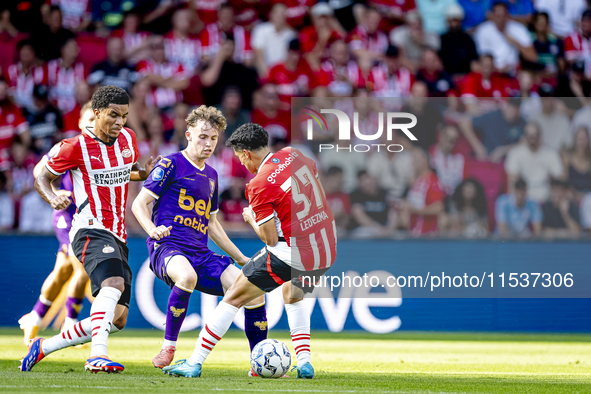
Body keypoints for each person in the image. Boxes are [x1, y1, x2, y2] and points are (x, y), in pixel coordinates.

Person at [162, 123, 337, 379]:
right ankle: (305, 362)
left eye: (240, 158)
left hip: (292, 250)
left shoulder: (258, 184)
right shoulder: (295, 155)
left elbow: (269, 239)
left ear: (245, 153)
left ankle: (194, 362)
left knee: (233, 296)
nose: (242, 164)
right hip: (325, 245)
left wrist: (251, 218)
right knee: (293, 296)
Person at [21, 85, 159, 373]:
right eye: (113, 115)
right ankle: (97, 355)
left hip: (118, 234)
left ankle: (44, 346)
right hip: (90, 230)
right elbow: (42, 179)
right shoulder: (74, 146)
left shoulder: (128, 139)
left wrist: (144, 172)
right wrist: (53, 197)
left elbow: (126, 170)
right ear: (96, 113)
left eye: (124, 115)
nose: (120, 122)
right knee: (113, 285)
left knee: (117, 318)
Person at [131, 106, 268, 372]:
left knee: (253, 292)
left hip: (199, 252)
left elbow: (212, 224)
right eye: (203, 136)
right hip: (167, 245)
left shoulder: (212, 175)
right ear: (189, 135)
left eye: (213, 138)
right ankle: (168, 346)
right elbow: (140, 203)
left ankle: (258, 363)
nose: (208, 143)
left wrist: (240, 258)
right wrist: (152, 230)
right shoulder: (170, 163)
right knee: (186, 277)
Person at [18, 102, 95, 347]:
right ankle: (70, 324)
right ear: (81, 123)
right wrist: (54, 192)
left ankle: (35, 316)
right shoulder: (68, 146)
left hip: (88, 217)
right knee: (82, 267)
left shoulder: (107, 150)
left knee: (63, 270)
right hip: (68, 215)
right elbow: (40, 171)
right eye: (89, 121)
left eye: (97, 120)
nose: (93, 125)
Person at [505, 122, 564, 203]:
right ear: (524, 136)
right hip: (524, 198)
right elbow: (512, 181)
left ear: (540, 136)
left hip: (546, 198)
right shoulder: (515, 153)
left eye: (535, 135)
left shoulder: (551, 153)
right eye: (530, 136)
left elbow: (559, 178)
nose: (533, 139)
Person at [473, 1, 537, 73]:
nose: (501, 19)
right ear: (492, 15)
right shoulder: (483, 30)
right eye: (498, 16)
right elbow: (482, 59)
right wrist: (498, 69)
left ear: (508, 15)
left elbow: (533, 57)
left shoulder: (519, 29)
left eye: (503, 16)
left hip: (514, 73)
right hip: (492, 73)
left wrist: (515, 42)